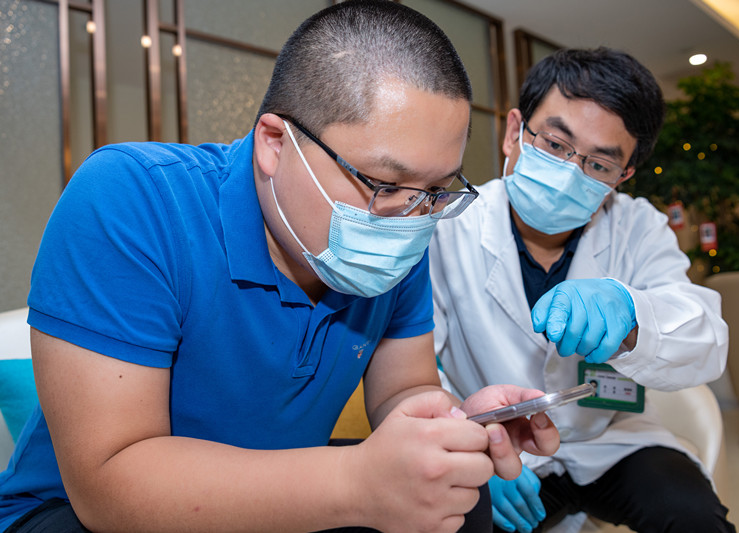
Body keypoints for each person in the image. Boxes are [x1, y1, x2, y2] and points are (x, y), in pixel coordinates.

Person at [0, 2, 562, 532]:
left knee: (458, 499)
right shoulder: (135, 197)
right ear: (274, 142)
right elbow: (108, 487)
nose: (410, 217)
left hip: (288, 486)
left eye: (435, 191)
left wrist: (456, 425)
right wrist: (356, 483)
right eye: (385, 184)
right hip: (79, 514)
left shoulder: (401, 232)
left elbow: (404, 391)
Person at [429, 47, 736, 532]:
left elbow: (706, 342)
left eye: (599, 165)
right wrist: (468, 445)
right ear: (514, 132)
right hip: (502, 445)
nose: (571, 171)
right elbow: (416, 366)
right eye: (555, 144)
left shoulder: (639, 228)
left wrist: (632, 317)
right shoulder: (448, 227)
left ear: (624, 175)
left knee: (692, 515)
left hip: (610, 439)